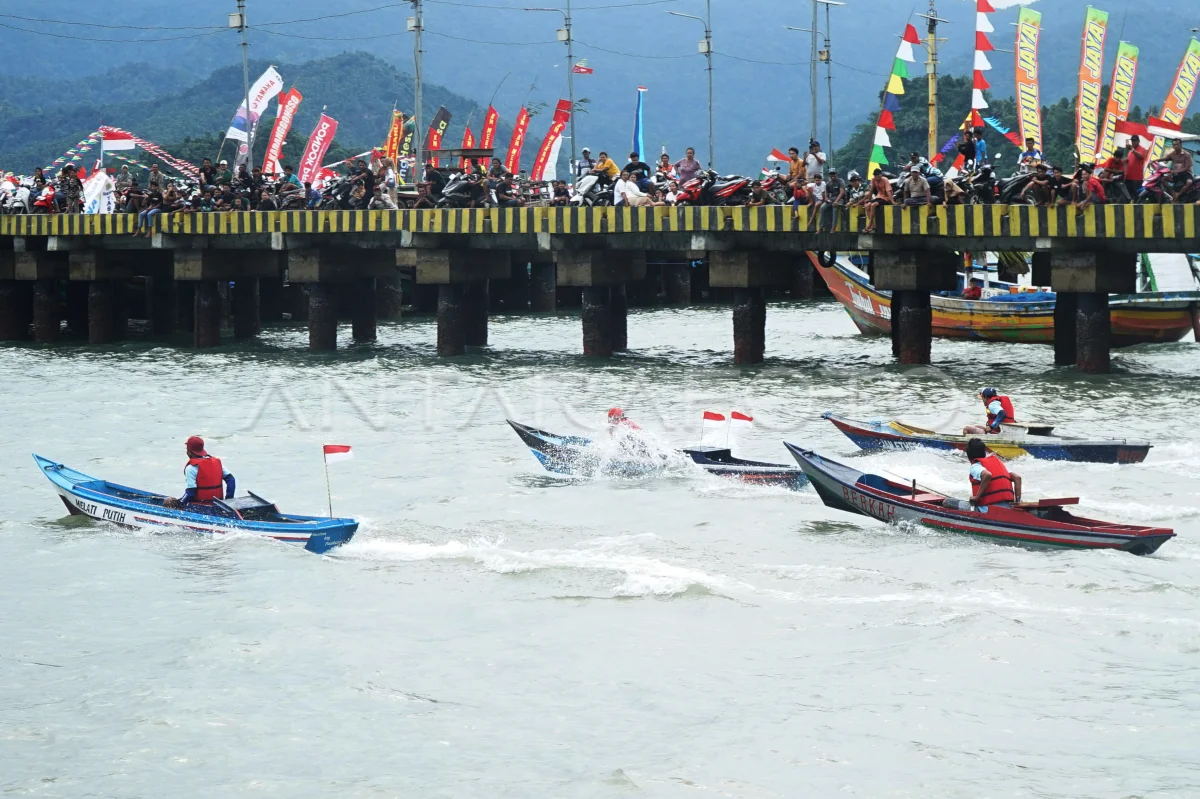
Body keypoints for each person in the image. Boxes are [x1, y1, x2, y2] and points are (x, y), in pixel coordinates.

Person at [965, 437, 1021, 508]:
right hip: (1008, 506)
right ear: (984, 453)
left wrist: (977, 497)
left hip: (989, 508)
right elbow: (1017, 478)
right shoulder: (997, 463)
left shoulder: (975, 466)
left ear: (969, 456)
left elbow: (987, 475)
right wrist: (1017, 503)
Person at [180, 436, 235, 505]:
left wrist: (180, 503)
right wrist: (228, 501)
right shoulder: (216, 463)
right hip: (218, 505)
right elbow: (231, 480)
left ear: (189, 452)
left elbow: (191, 492)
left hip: (200, 506)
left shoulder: (191, 468)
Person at [863, 168, 893, 234]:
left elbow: (888, 191)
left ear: (881, 175)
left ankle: (869, 225)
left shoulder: (885, 179)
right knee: (867, 206)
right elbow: (871, 190)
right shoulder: (873, 180)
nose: (876, 176)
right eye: (875, 175)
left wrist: (892, 201)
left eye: (877, 175)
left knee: (873, 205)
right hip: (879, 196)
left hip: (886, 198)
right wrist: (869, 200)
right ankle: (873, 225)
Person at [1123, 134, 1147, 201]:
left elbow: (1140, 156)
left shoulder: (1142, 149)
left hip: (1137, 178)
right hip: (1128, 176)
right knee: (1128, 194)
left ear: (1138, 141)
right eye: (1132, 141)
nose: (1133, 142)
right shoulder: (1130, 151)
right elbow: (1128, 160)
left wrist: (1132, 149)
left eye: (1134, 141)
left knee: (1136, 195)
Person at [824, 167, 847, 232]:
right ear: (829, 175)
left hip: (841, 199)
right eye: (831, 174)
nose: (832, 175)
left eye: (833, 174)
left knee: (835, 206)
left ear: (836, 174)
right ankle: (821, 226)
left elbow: (842, 192)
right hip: (832, 199)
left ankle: (833, 227)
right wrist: (826, 199)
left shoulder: (840, 181)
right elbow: (826, 194)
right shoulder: (828, 183)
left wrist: (836, 201)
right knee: (822, 207)